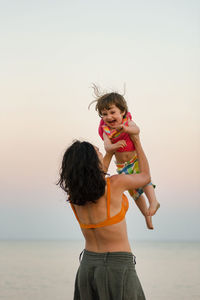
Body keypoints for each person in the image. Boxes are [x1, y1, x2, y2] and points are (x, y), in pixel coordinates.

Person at [57, 132, 151, 300]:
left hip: (87, 268)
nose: (102, 153)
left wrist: (109, 152)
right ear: (92, 162)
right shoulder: (115, 184)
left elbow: (95, 179)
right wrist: (136, 140)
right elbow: (145, 177)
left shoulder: (76, 196)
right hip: (116, 267)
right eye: (98, 152)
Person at [89, 85, 160, 229]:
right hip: (122, 166)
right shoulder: (105, 129)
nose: (109, 117)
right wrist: (114, 147)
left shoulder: (127, 122)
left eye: (112, 112)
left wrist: (126, 129)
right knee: (134, 194)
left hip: (135, 160)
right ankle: (146, 215)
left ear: (122, 112)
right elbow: (107, 146)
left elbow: (137, 129)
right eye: (104, 114)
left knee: (145, 181)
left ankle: (153, 202)